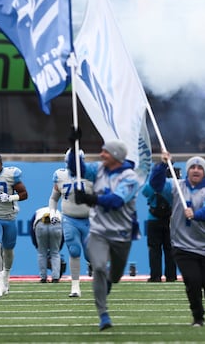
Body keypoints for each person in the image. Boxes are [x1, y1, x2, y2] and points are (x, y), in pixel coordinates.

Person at [73, 140, 141, 332]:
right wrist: (73, 148)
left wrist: (90, 199)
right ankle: (103, 314)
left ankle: (111, 281)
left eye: (106, 152)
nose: (101, 155)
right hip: (98, 230)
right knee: (100, 267)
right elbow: (76, 170)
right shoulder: (99, 169)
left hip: (121, 232)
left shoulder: (130, 177)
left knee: (116, 275)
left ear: (117, 156)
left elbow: (116, 201)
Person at [149, 153, 205, 328]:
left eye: (199, 168)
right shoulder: (176, 186)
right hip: (182, 244)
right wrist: (162, 165)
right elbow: (155, 185)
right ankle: (198, 317)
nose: (195, 170)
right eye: (192, 167)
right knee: (192, 280)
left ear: (204, 172)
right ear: (188, 170)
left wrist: (196, 214)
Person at [48, 148, 94, 299]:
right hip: (69, 219)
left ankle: (92, 265)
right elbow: (54, 198)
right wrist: (53, 212)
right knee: (74, 250)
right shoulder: (60, 175)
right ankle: (75, 286)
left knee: (90, 255)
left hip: (88, 220)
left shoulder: (91, 175)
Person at [0, 153, 28, 298]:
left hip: (9, 217)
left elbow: (24, 194)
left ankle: (7, 276)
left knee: (8, 250)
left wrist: (11, 197)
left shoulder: (11, 175)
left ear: (1, 164)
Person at [142, 166, 178, 282]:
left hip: (153, 218)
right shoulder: (174, 184)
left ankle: (155, 276)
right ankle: (171, 275)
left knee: (154, 249)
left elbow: (145, 193)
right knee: (170, 248)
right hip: (171, 219)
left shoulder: (152, 184)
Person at [30, 206, 63, 283]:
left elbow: (31, 230)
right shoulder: (58, 211)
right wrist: (59, 247)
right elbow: (64, 232)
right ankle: (55, 277)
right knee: (55, 253)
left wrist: (36, 245)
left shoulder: (38, 212)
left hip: (40, 224)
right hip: (56, 224)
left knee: (41, 253)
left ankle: (43, 278)